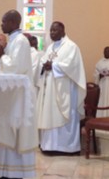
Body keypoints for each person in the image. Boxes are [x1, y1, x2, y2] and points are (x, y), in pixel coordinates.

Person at [0, 9, 38, 179]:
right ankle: (5, 171)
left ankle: (15, 175)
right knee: (7, 131)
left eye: (4, 21)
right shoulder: (13, 41)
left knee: (15, 132)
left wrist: (0, 55)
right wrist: (0, 56)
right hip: (11, 94)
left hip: (19, 96)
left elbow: (16, 67)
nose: (1, 25)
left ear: (14, 22)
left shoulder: (21, 41)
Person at [36, 22, 86, 154]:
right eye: (51, 30)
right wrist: (44, 65)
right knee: (49, 113)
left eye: (55, 30)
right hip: (50, 87)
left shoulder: (71, 47)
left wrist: (53, 66)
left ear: (63, 31)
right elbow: (43, 61)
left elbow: (72, 66)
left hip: (65, 90)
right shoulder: (51, 47)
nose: (52, 33)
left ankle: (66, 147)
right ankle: (48, 145)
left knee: (63, 115)